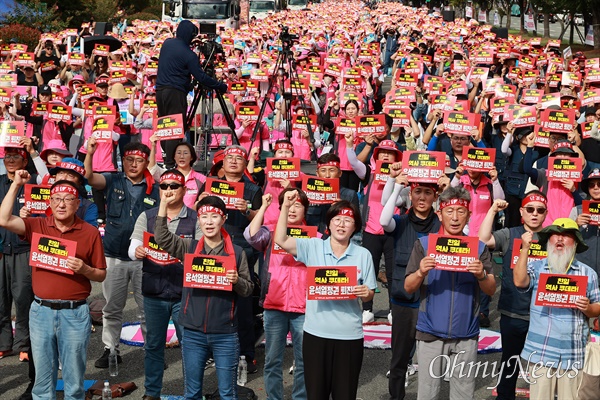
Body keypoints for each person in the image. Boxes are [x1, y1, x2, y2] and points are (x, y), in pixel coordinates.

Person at [0, 176, 106, 398]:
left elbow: (101, 274)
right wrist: (16, 185)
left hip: (75, 313)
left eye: (68, 199)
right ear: (49, 202)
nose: (61, 204)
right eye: (56, 198)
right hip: (41, 312)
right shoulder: (37, 225)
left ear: (78, 204)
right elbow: (4, 219)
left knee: (75, 381)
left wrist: (84, 269)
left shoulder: (90, 232)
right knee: (43, 382)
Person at [275, 195, 376, 400]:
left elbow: (369, 294)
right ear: (328, 223)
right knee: (316, 395)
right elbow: (281, 240)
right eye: (337, 219)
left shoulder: (363, 254)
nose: (342, 224)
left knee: (345, 395)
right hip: (316, 335)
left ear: (355, 226)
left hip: (349, 336)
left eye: (348, 220)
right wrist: (285, 207)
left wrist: (367, 293)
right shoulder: (313, 246)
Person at [154, 195, 253, 400]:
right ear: (198, 220)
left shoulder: (236, 252)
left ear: (223, 219)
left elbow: (248, 290)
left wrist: (237, 281)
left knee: (228, 393)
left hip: (226, 334)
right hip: (192, 333)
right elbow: (162, 237)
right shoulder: (189, 248)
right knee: (192, 393)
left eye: (214, 216)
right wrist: (163, 204)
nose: (209, 222)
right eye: (204, 216)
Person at [404, 186, 496, 400]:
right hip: (429, 333)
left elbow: (490, 288)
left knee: (463, 394)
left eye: (461, 211)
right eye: (449, 211)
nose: (455, 218)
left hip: (466, 334)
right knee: (427, 394)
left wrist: (481, 275)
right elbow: (408, 287)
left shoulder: (479, 248)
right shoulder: (424, 245)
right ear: (440, 213)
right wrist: (420, 271)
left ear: (469, 215)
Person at [84, 138, 160, 368]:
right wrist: (89, 153)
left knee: (147, 309)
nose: (134, 164)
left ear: (147, 162)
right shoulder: (112, 179)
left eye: (139, 160)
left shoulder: (155, 188)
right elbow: (89, 177)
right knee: (111, 307)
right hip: (113, 255)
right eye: (129, 160)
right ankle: (110, 349)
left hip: (144, 258)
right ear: (123, 160)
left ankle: (152, 352)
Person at [129, 169, 201, 400]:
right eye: (164, 186)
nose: (168, 190)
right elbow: (132, 247)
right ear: (159, 189)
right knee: (153, 346)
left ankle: (192, 392)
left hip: (184, 292)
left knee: (190, 347)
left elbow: (202, 252)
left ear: (184, 190)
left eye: (174, 186)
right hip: (154, 291)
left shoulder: (195, 218)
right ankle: (152, 393)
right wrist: (137, 250)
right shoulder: (146, 216)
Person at [514, 218, 600, 399]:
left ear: (575, 242)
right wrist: (525, 249)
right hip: (541, 352)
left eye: (566, 236)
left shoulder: (588, 273)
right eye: (555, 235)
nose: (560, 239)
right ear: (548, 241)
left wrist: (588, 308)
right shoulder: (537, 267)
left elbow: (597, 308)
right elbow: (519, 281)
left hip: (573, 352)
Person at [478, 192, 548, 400]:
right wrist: (492, 210)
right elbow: (484, 240)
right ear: (521, 212)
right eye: (530, 209)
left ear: (546, 214)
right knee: (510, 363)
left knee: (543, 367)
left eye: (540, 210)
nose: (535, 214)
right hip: (513, 311)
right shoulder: (510, 233)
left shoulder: (552, 237)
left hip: (542, 313)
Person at [244, 188, 313, 400]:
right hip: (274, 304)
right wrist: (265, 206)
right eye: (287, 203)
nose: (292, 208)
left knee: (303, 361)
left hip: (304, 307)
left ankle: (300, 397)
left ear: (306, 210)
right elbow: (251, 236)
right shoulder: (271, 231)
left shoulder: (315, 235)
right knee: (273, 359)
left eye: (297, 204)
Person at [380, 170, 441, 400]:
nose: (422, 197)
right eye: (417, 192)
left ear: (435, 197)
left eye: (428, 192)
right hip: (403, 299)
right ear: (410, 195)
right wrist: (396, 185)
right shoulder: (401, 222)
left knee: (431, 358)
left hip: (433, 298)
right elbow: (383, 221)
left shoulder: (442, 224)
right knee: (400, 358)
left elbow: (462, 230)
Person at [156, 20, 228, 168]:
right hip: (175, 93)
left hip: (160, 91)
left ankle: (165, 157)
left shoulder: (167, 43)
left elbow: (176, 67)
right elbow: (201, 77)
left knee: (165, 125)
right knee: (175, 128)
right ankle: (170, 164)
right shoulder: (189, 55)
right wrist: (220, 86)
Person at [0, 147, 36, 363]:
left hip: (24, 249)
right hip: (1, 249)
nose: (11, 160)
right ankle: (3, 343)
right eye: (8, 156)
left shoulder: (33, 184)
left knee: (24, 298)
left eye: (16, 157)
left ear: (24, 161)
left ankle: (23, 343)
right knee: (0, 299)